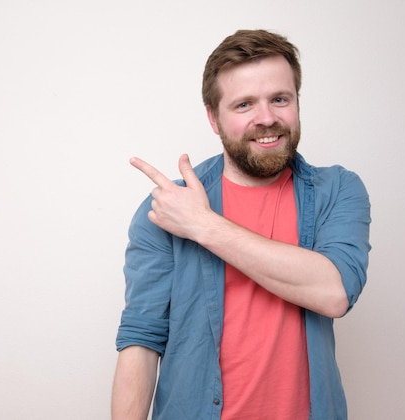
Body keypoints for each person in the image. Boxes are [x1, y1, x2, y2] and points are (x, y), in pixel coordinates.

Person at [111, 29, 371, 420]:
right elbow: (142, 342)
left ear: (297, 102)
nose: (266, 118)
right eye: (244, 104)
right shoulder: (166, 210)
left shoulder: (339, 190)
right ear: (213, 118)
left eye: (280, 99)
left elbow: (334, 293)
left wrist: (203, 226)